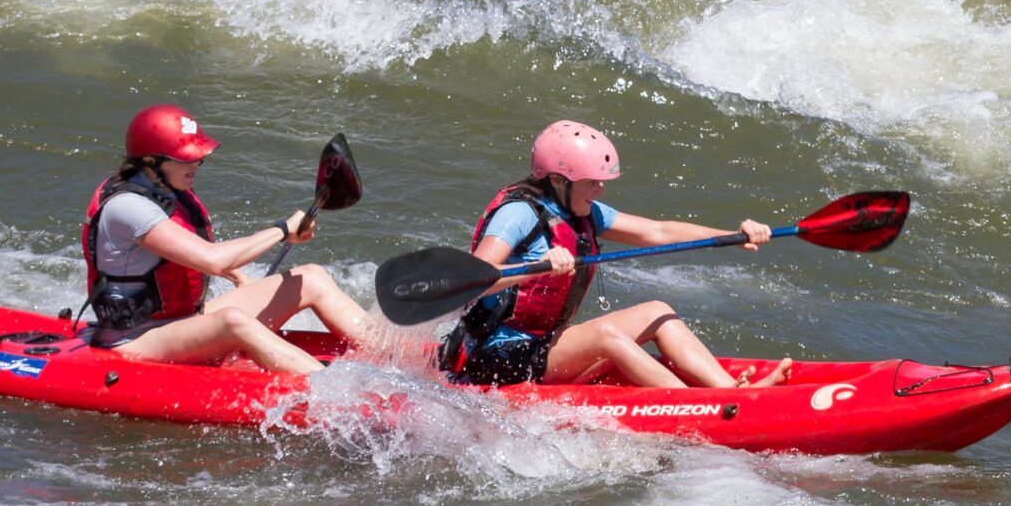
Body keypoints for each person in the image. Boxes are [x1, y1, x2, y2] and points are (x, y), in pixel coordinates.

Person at [440, 120, 791, 389]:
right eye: (592, 181)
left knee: (658, 312)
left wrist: (732, 236)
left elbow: (656, 231)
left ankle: (729, 390)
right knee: (607, 335)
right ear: (560, 181)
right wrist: (537, 269)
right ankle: (703, 407)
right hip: (497, 359)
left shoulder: (581, 211)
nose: (601, 188)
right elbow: (471, 281)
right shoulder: (518, 214)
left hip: (542, 346)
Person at [82, 104, 376, 375]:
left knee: (311, 278)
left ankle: (392, 356)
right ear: (149, 162)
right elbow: (212, 259)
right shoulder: (128, 207)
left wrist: (238, 277)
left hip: (184, 320)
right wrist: (284, 229)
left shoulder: (166, 190)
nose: (197, 162)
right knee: (232, 321)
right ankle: (330, 392)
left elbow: (179, 251)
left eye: (197, 155)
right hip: (135, 339)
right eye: (186, 158)